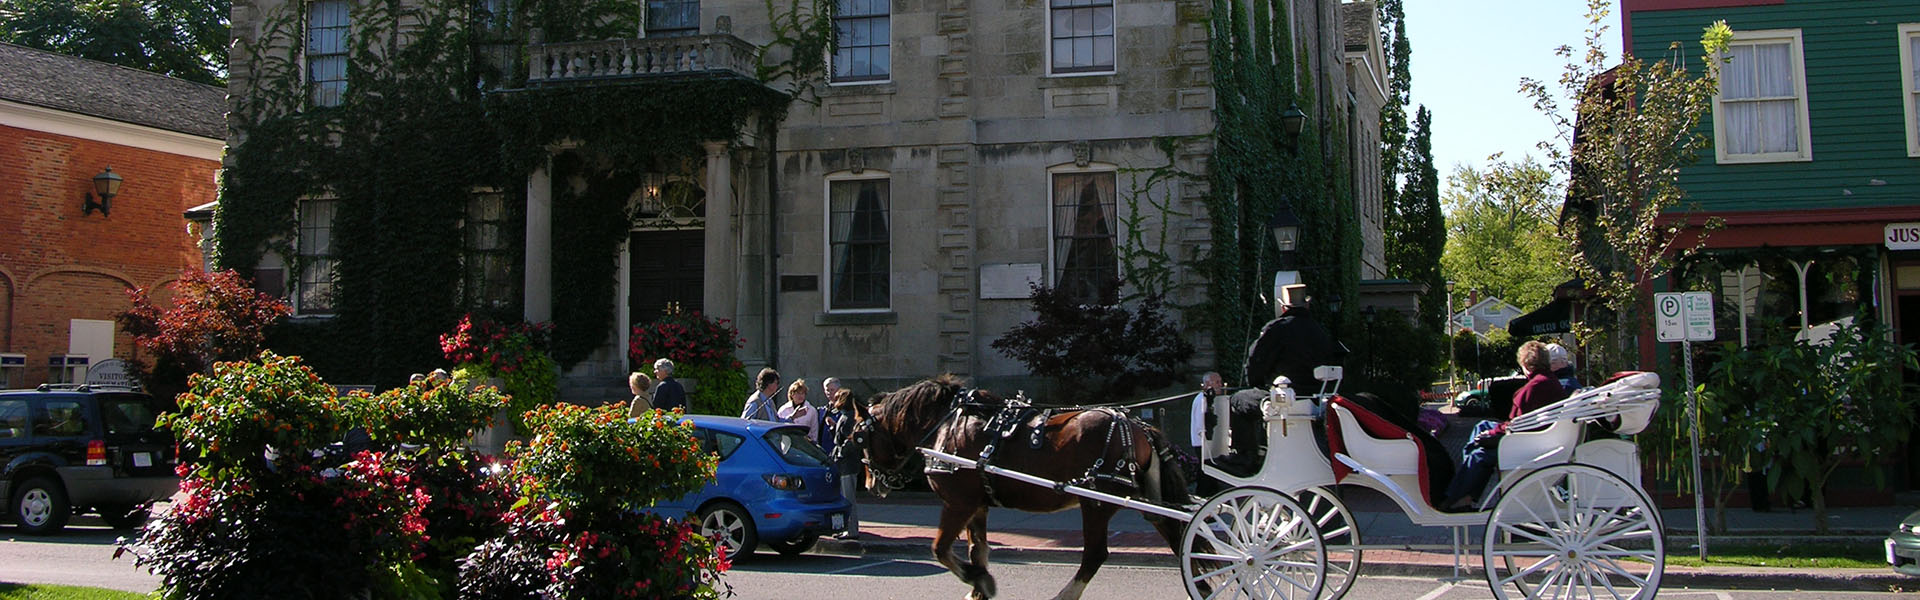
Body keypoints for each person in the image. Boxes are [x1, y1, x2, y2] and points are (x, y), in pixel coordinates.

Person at [1439, 340, 1569, 511]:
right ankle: (1466, 488)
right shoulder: (1547, 381)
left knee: (1479, 454)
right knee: (1481, 427)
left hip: (1527, 441)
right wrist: (1492, 431)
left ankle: (1461, 494)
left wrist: (1493, 432)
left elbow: (1516, 424)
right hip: (1535, 434)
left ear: (1526, 364)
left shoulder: (1534, 387)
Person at [822, 388, 865, 538]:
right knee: (846, 497)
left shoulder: (848, 418)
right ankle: (848, 528)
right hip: (848, 463)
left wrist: (839, 452)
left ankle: (852, 530)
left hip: (847, 464)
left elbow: (849, 442)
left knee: (848, 498)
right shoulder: (849, 417)